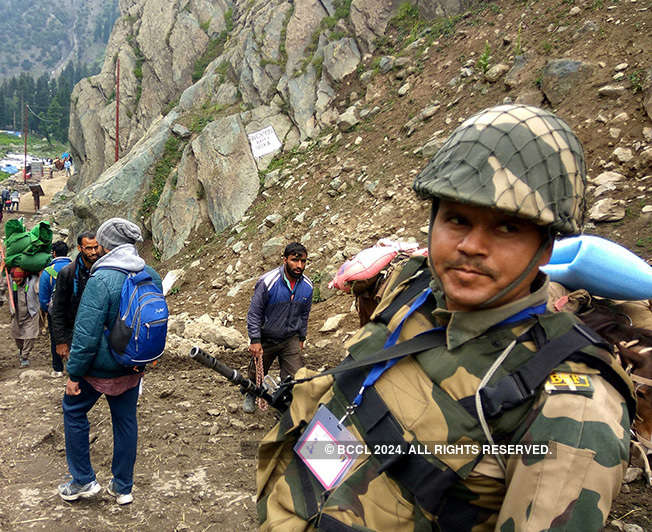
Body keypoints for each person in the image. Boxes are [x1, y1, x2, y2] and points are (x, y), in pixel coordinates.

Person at [256, 104, 635, 530]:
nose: (471, 245)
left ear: (547, 247)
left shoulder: (573, 405)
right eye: (457, 218)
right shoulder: (411, 288)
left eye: (507, 227)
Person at [59, 218, 159, 506]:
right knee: (126, 421)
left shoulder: (101, 278)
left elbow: (86, 333)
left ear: (108, 245)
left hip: (99, 368)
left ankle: (83, 480)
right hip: (133, 365)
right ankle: (123, 487)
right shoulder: (149, 273)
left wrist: (74, 373)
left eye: (101, 243)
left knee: (74, 411)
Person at [244, 242, 313, 414]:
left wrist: (302, 337)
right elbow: (254, 313)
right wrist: (255, 339)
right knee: (256, 372)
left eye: (303, 261)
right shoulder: (268, 282)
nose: (299, 266)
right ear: (284, 260)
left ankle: (286, 403)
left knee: (295, 377)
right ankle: (251, 394)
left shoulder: (307, 286)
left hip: (290, 338)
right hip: (267, 336)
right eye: (294, 260)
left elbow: (304, 315)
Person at [49, 231, 100, 364]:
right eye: (88, 248)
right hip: (73, 332)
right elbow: (58, 309)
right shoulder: (68, 273)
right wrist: (60, 341)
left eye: (96, 247)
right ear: (79, 248)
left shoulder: (103, 270)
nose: (93, 252)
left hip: (99, 331)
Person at [40, 241, 72, 377]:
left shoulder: (48, 272)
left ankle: (58, 369)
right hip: (74, 310)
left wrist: (46, 309)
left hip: (55, 312)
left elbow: (43, 297)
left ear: (53, 253)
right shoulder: (75, 267)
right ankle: (74, 367)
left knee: (56, 339)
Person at [5, 266, 41, 367]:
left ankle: (25, 356)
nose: (17, 282)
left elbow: (39, 290)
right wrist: (2, 268)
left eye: (19, 280)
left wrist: (41, 275)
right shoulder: (10, 282)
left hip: (31, 313)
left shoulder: (33, 281)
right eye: (15, 281)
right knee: (17, 336)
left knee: (30, 336)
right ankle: (21, 350)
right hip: (16, 314)